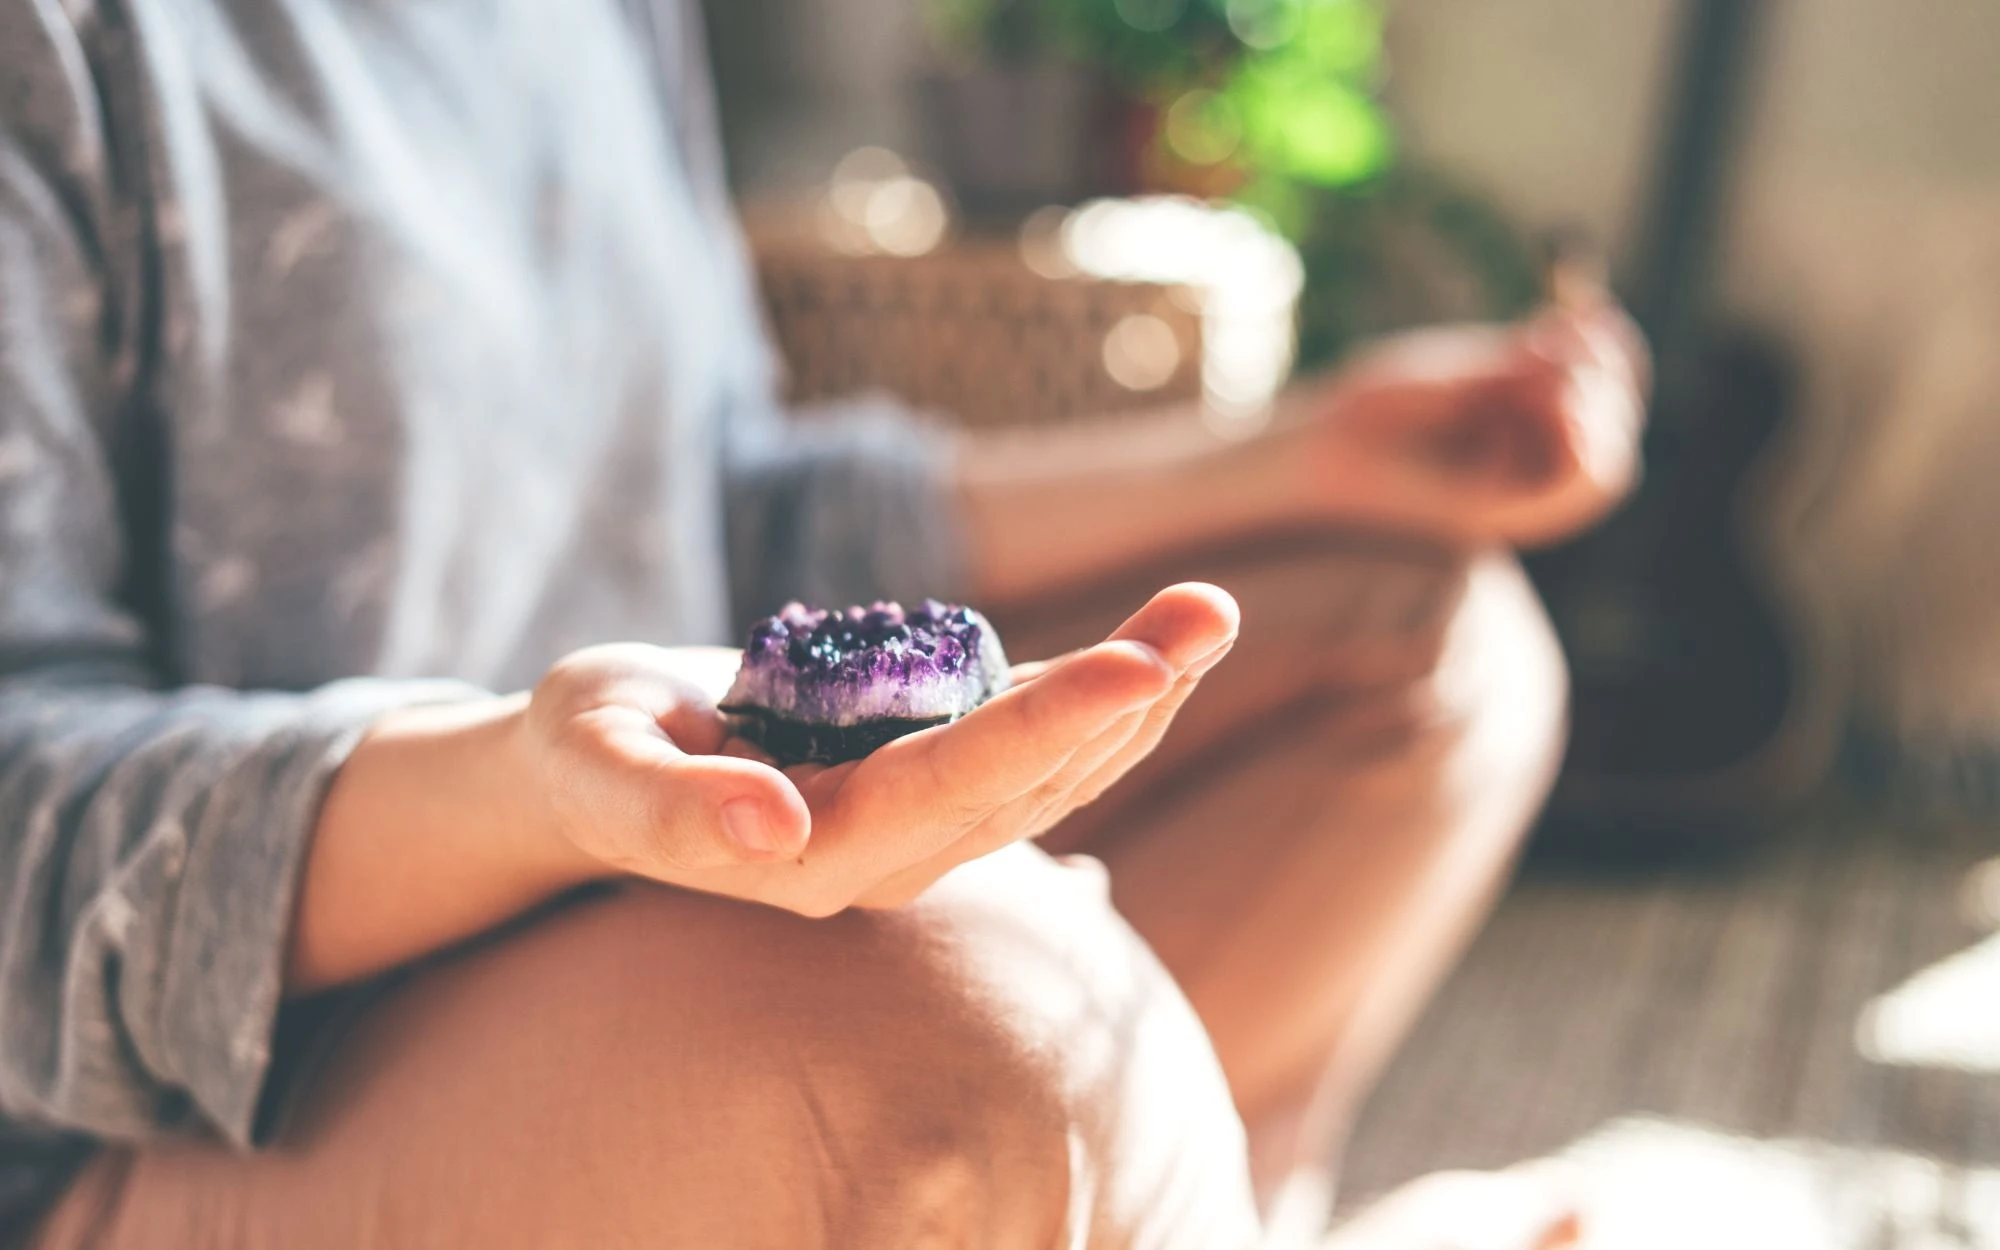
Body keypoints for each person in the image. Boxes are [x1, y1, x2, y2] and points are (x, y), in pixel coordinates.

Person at [0, 1, 1644, 1247]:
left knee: (1426, 641)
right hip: (175, 1099)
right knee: (984, 1033)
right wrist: (521, 787)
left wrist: (1308, 452)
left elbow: (723, 499)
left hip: (633, 819)